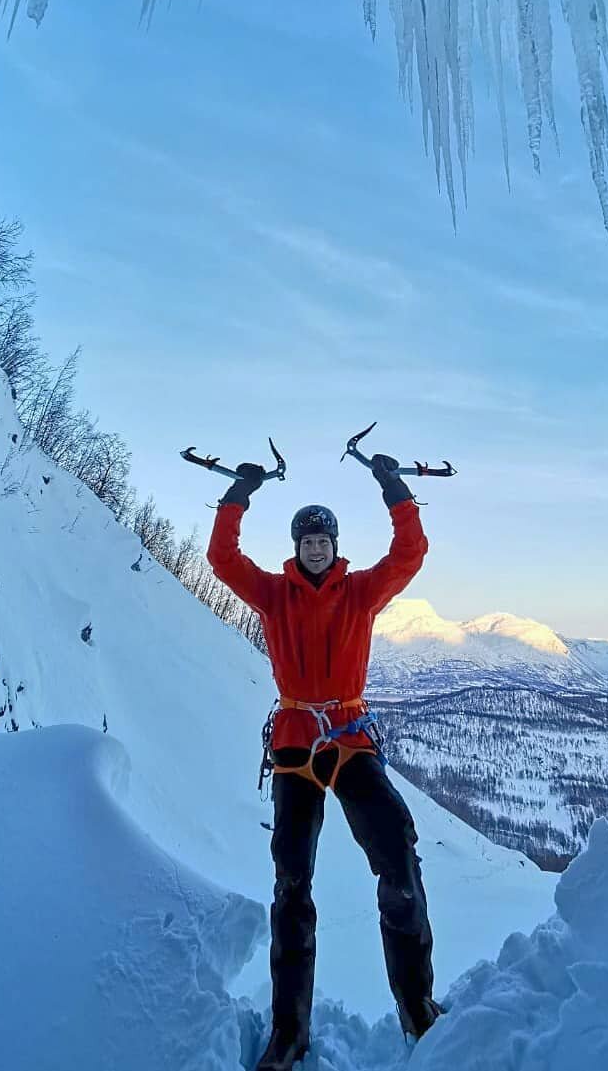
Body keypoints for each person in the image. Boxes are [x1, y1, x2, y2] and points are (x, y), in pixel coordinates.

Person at [206, 452, 440, 1070]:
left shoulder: (361, 590)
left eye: (323, 540)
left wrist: (395, 489)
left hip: (349, 736)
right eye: (307, 540)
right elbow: (222, 561)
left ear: (335, 546)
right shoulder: (273, 593)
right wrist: (238, 495)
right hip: (292, 741)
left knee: (397, 853)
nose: (315, 548)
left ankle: (417, 1007)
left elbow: (408, 555)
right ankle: (289, 1034)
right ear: (298, 546)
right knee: (291, 884)